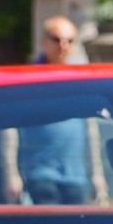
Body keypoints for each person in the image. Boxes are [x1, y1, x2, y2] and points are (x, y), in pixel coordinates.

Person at [17, 17, 94, 202]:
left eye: (69, 40)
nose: (63, 45)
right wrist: (13, 174)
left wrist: (96, 173)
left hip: (76, 175)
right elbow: (11, 127)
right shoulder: (28, 78)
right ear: (44, 41)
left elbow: (90, 127)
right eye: (57, 39)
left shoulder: (80, 80)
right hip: (39, 174)